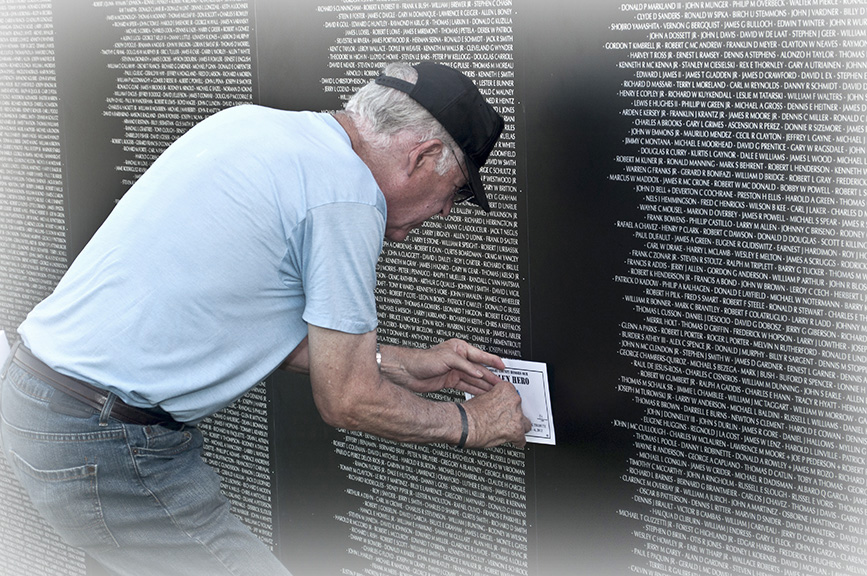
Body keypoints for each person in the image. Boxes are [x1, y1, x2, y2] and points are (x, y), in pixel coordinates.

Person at [0, 61, 531, 576]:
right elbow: (348, 400)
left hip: (46, 401)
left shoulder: (254, 125)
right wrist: (471, 423)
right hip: (107, 438)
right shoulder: (347, 196)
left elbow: (229, 316)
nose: (445, 212)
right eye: (457, 191)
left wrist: (397, 363)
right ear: (423, 155)